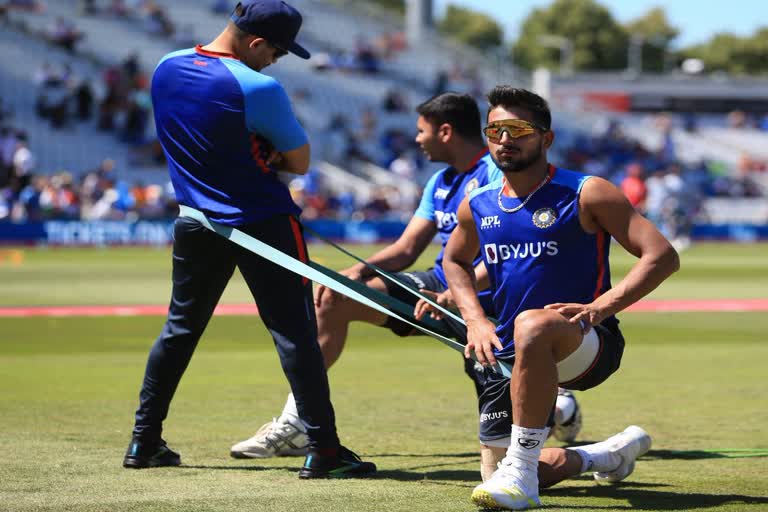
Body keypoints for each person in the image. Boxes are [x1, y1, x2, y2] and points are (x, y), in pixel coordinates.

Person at [231, 92, 584, 467]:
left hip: (495, 290)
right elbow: (406, 248)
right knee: (335, 298)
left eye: (421, 131)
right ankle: (298, 421)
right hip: (445, 283)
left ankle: (559, 405)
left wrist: (456, 292)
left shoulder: (500, 170)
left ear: (445, 132)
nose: (416, 139)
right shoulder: (440, 181)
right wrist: (359, 272)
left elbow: (512, 255)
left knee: (503, 400)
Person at [122, 0, 376, 479]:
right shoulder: (258, 86)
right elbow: (299, 162)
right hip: (262, 222)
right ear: (256, 42)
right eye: (277, 51)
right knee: (295, 333)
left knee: (179, 329)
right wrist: (267, 156)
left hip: (195, 221)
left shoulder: (165, 65)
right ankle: (323, 450)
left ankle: (144, 440)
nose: (277, 60)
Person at [442, 86, 679, 510]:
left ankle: (524, 471)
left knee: (532, 323)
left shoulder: (587, 192)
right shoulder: (477, 203)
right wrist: (476, 321)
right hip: (510, 353)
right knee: (498, 475)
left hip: (589, 342)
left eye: (518, 129)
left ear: (546, 139)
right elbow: (454, 261)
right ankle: (601, 455)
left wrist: (598, 310)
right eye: (494, 130)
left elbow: (661, 256)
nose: (505, 139)